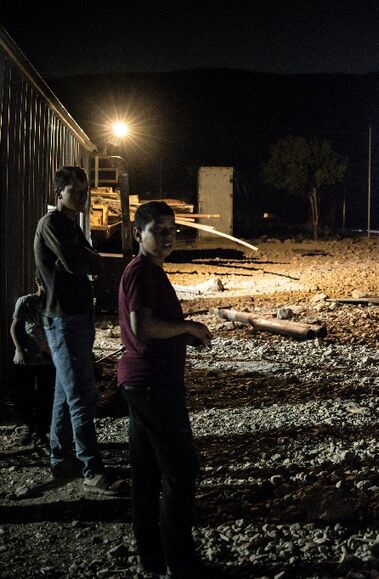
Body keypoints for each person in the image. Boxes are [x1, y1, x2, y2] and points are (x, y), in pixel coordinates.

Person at [117, 201, 213, 578]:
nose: (169, 235)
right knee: (181, 471)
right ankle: (181, 561)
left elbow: (152, 327)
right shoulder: (143, 272)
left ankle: (151, 557)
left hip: (141, 383)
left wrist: (181, 335)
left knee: (146, 474)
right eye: (159, 229)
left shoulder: (147, 271)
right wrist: (188, 328)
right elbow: (143, 327)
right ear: (138, 234)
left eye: (172, 228)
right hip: (154, 384)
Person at [33, 165, 122, 494]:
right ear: (59, 194)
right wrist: (83, 260)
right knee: (82, 396)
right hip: (64, 319)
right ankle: (91, 469)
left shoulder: (71, 225)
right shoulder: (54, 224)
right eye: (76, 192)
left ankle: (61, 460)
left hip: (77, 317)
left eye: (85, 192)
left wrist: (84, 259)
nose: (83, 197)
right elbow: (76, 264)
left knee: (64, 392)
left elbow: (94, 263)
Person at [9, 277, 55, 448]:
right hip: (27, 358)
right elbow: (15, 327)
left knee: (45, 396)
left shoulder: (53, 302)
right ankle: (28, 427)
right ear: (37, 281)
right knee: (25, 395)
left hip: (46, 359)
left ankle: (41, 431)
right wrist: (20, 350)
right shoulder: (26, 301)